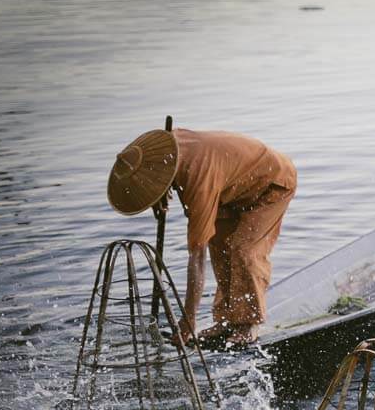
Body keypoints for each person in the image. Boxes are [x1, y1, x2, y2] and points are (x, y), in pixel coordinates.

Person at [107, 127, 297, 346]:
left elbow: (197, 256)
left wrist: (189, 319)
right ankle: (226, 319)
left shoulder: (198, 181)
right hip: (231, 188)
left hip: (271, 183)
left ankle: (249, 323)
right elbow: (161, 173)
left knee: (243, 250)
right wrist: (160, 192)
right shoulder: (167, 149)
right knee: (220, 247)